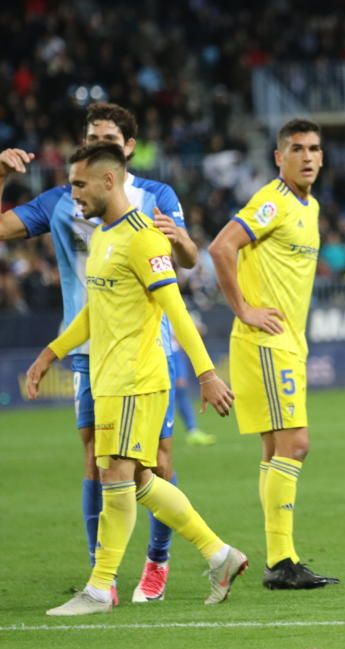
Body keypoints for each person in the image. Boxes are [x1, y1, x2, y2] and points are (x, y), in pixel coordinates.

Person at [24, 142, 246, 616]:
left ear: (109, 181)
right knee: (141, 480)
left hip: (135, 378)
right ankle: (220, 555)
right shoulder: (103, 235)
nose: (72, 192)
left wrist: (207, 373)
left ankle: (100, 588)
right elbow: (93, 311)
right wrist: (50, 352)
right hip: (108, 379)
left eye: (79, 183)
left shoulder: (144, 238)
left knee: (116, 476)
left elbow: (176, 310)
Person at [0, 103, 200, 604]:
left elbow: (188, 262)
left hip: (145, 346)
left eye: (108, 138)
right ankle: (101, 576)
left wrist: (183, 243)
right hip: (87, 349)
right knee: (95, 458)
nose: (98, 144)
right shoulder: (64, 199)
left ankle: (157, 561)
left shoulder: (156, 197)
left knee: (154, 461)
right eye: (91, 136)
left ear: (127, 149)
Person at [208, 118, 337, 590]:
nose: (307, 156)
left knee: (273, 449)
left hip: (287, 343)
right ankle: (282, 561)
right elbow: (221, 247)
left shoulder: (311, 206)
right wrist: (242, 309)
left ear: (322, 157)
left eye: (314, 148)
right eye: (297, 149)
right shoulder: (272, 201)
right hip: (266, 341)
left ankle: (278, 559)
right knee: (296, 444)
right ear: (279, 157)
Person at [171, 339, 218, 446]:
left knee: (180, 390)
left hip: (174, 351)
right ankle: (163, 432)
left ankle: (192, 430)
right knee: (170, 393)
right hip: (162, 351)